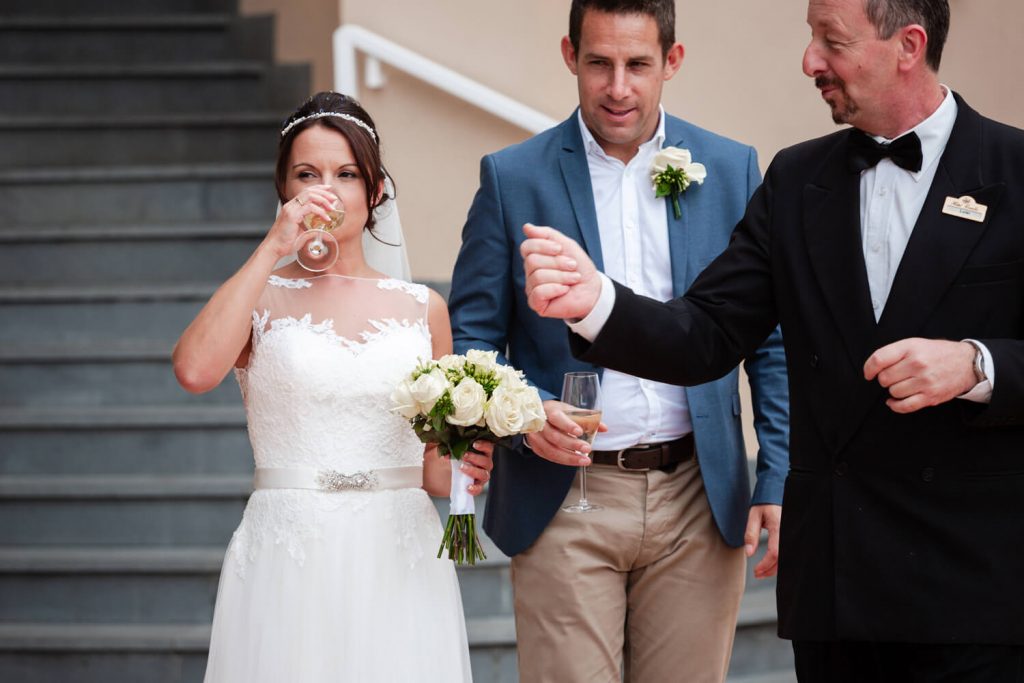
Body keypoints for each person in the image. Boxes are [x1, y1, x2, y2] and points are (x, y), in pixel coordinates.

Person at [522, 0, 1024, 680]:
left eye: (831, 41)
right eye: (810, 37)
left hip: (977, 593)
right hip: (837, 595)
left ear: (907, 45)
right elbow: (705, 333)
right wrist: (599, 304)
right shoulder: (795, 179)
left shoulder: (1016, 169)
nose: (809, 61)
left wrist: (978, 363)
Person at [447, 1, 789, 680]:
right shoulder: (512, 177)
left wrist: (777, 471)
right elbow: (472, 341)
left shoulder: (731, 168)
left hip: (699, 491)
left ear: (673, 60)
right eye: (599, 62)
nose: (618, 87)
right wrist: (524, 414)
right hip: (565, 493)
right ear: (571, 55)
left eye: (638, 64)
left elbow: (769, 339)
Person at [172, 91, 491, 682]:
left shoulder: (424, 308)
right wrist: (273, 248)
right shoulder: (261, 295)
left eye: (346, 174)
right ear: (285, 190)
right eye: (307, 174)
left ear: (374, 193)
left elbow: (435, 471)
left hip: (398, 554)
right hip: (288, 551)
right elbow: (194, 371)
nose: (327, 189)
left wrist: (482, 447)